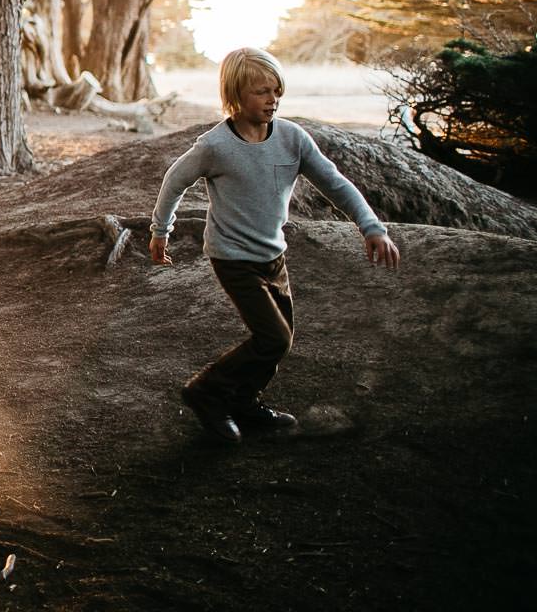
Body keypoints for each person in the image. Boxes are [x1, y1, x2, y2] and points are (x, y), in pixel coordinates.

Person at [150, 46, 402, 444]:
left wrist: (371, 227)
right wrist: (160, 230)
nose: (272, 100)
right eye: (261, 92)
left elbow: (335, 183)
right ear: (234, 96)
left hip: (273, 255)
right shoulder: (215, 146)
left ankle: (245, 402)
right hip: (232, 257)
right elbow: (174, 180)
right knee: (274, 338)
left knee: (279, 340)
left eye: (276, 91)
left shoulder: (292, 138)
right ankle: (206, 392)